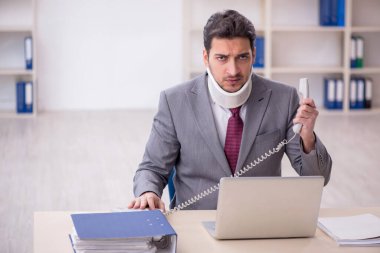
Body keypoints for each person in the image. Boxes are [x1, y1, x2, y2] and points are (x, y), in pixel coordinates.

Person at [128, 10, 332, 211]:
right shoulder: (174, 102)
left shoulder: (283, 98)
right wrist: (148, 193)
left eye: (242, 57)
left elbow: (318, 178)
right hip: (196, 222)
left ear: (253, 55)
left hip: (261, 223)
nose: (233, 71)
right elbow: (152, 168)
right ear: (206, 57)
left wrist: (307, 137)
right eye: (222, 58)